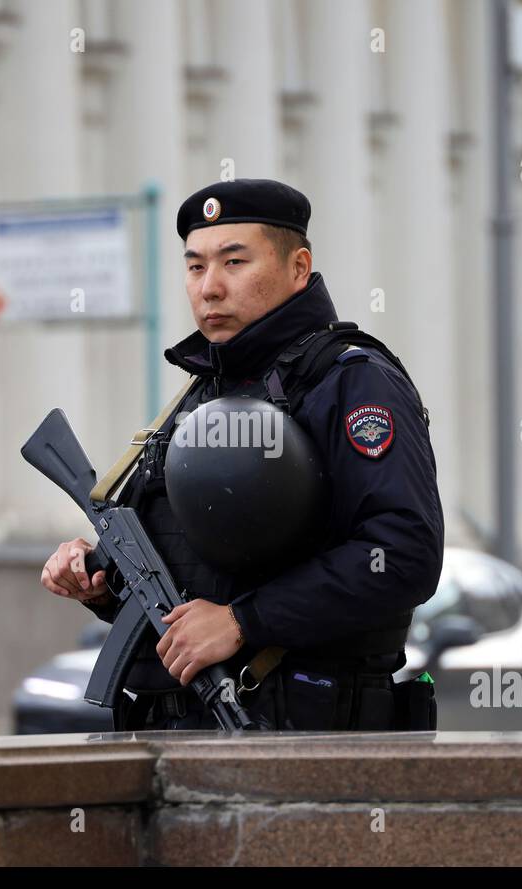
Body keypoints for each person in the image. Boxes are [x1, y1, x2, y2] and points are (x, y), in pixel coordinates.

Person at [40, 178, 445, 731]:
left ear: (298, 268)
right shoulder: (201, 395)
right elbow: (188, 572)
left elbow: (402, 555)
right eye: (195, 267)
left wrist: (244, 622)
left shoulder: (350, 383)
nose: (210, 288)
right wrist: (101, 580)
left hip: (301, 734)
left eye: (234, 263)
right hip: (173, 730)